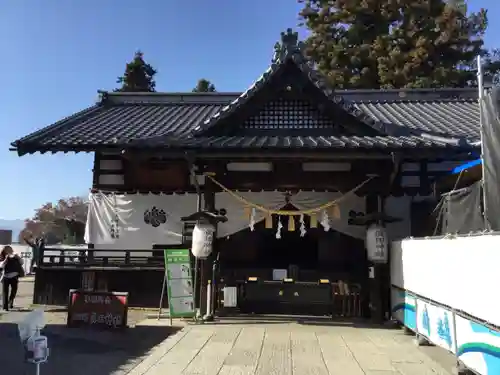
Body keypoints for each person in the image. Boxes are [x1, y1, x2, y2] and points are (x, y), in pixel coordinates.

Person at [0, 245, 24, 310]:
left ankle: (10, 301)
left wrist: (18, 257)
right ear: (4, 251)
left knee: (14, 291)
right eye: (7, 250)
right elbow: (1, 266)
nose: (9, 251)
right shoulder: (2, 257)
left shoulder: (15, 255)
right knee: (5, 292)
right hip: (6, 276)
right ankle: (5, 307)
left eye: (10, 249)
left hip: (14, 276)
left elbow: (22, 262)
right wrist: (5, 259)